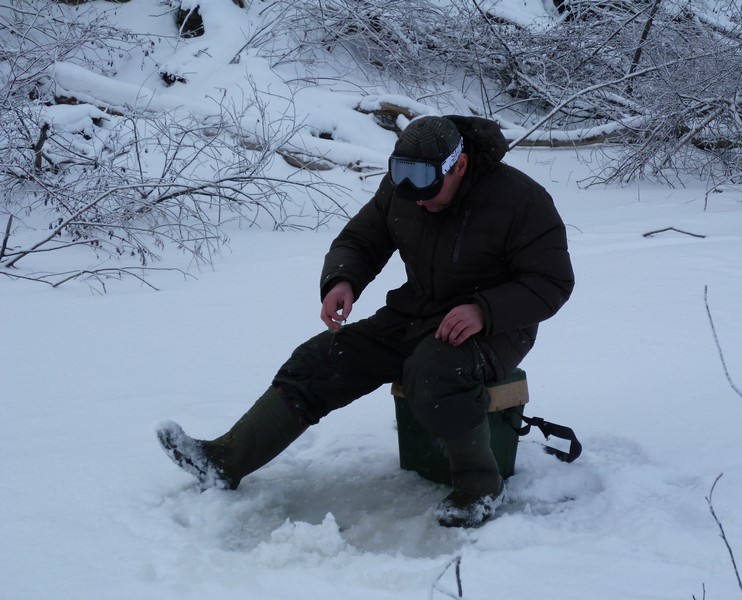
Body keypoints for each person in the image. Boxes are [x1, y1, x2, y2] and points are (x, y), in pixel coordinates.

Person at [157, 115, 574, 528]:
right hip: (415, 314)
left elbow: (552, 281)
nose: (415, 197)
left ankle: (482, 487)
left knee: (434, 371)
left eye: (426, 185)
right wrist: (343, 279)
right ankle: (226, 461)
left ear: (458, 165)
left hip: (497, 328)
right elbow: (363, 238)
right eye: (403, 179)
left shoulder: (520, 200)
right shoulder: (405, 188)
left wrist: (484, 310)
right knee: (319, 360)